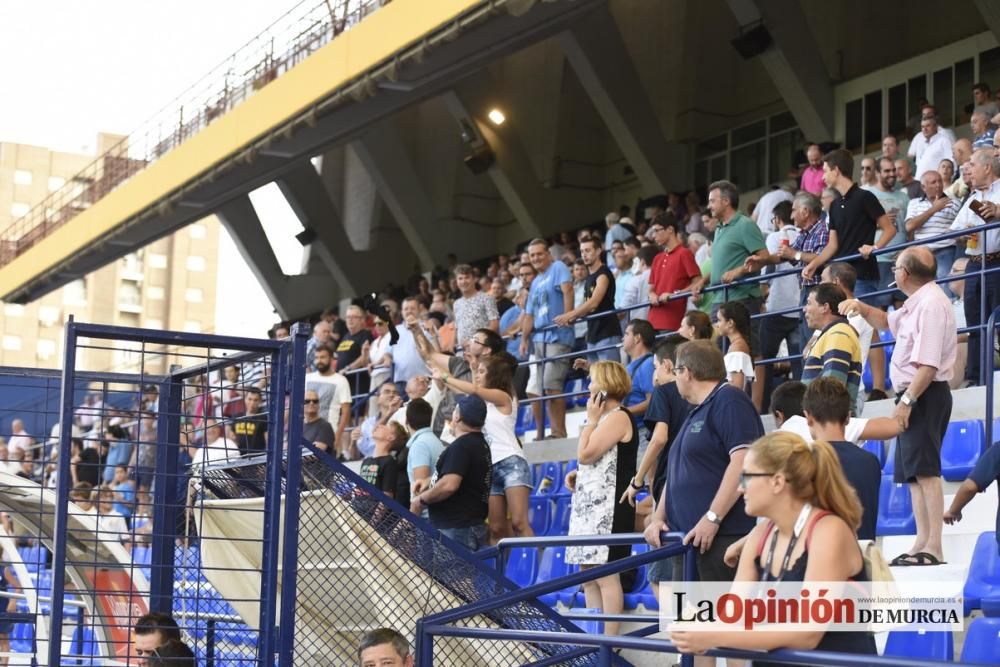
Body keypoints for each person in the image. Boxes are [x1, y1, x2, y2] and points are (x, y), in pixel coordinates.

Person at [669, 432, 877, 663]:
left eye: (746, 477)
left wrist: (713, 635)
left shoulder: (829, 531)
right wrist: (697, 624)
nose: (740, 488)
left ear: (777, 482)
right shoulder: (761, 534)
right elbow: (733, 615)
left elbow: (807, 634)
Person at [840, 246, 957, 566]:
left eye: (896, 268)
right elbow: (888, 322)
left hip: (924, 393)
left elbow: (928, 365)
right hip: (917, 393)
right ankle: (923, 542)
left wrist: (906, 402)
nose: (893, 272)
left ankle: (933, 546)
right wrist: (861, 307)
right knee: (915, 473)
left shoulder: (931, 304)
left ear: (905, 274)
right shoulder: (919, 301)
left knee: (927, 471)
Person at [644, 340, 763, 586]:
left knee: (721, 621)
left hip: (719, 538)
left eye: (676, 371)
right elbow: (676, 472)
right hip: (687, 540)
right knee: (686, 622)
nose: (675, 377)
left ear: (687, 372)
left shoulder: (729, 400)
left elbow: (743, 461)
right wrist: (658, 517)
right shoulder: (696, 410)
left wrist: (713, 517)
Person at [564, 361, 638, 636]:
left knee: (606, 574)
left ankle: (608, 641)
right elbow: (594, 458)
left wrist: (591, 420)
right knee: (588, 574)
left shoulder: (618, 416)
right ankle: (594, 637)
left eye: (592, 382)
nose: (588, 387)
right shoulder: (607, 418)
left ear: (605, 387)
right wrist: (578, 474)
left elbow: (586, 453)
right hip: (590, 506)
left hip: (609, 509)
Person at [433, 354, 533, 543]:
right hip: (489, 467)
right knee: (495, 528)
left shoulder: (504, 396)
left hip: (511, 462)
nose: (477, 375)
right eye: (476, 372)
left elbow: (475, 389)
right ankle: (502, 571)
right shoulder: (482, 403)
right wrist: (448, 376)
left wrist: (445, 376)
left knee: (519, 523)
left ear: (493, 374)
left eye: (481, 371)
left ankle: (533, 571)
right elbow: (469, 392)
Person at [802, 149, 896, 297]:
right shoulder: (834, 205)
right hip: (840, 279)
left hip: (863, 275)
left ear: (836, 170)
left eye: (825, 171)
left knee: (859, 320)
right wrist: (814, 264)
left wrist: (874, 247)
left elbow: (889, 229)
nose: (822, 177)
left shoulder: (865, 197)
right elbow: (832, 245)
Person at [409, 395, 492, 551]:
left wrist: (420, 500)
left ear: (457, 416)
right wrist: (429, 480)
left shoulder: (462, 446)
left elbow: (449, 485)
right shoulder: (478, 444)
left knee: (454, 575)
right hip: (468, 526)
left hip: (455, 529)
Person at [520, 238, 574, 439]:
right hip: (539, 339)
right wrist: (525, 339)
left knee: (552, 384)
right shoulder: (534, 282)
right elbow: (529, 315)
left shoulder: (558, 267)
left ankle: (559, 432)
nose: (536, 258)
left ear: (548, 254)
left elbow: (568, 290)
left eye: (539, 254)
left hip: (558, 335)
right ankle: (552, 431)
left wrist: (568, 314)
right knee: (542, 387)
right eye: (532, 255)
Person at [553, 237, 619, 362]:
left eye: (588, 250)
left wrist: (570, 314)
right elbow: (589, 307)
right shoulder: (589, 277)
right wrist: (574, 317)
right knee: (596, 379)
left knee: (611, 379)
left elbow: (594, 303)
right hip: (593, 334)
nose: (584, 255)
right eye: (582, 251)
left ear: (599, 251)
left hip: (607, 331)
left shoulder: (603, 273)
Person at [800, 283, 862, 412]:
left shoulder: (838, 333)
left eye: (809, 303)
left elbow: (832, 389)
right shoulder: (833, 333)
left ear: (825, 307)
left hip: (829, 421)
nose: (804, 309)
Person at [646, 217, 701, 332]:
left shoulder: (684, 253)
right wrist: (651, 295)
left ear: (670, 229)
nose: (653, 235)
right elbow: (651, 288)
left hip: (672, 321)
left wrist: (675, 294)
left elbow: (698, 282)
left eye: (656, 230)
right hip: (652, 320)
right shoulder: (657, 258)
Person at [305, 345, 352, 458]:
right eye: (317, 357)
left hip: (328, 434)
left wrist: (338, 436)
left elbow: (346, 412)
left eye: (323, 357)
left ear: (331, 359)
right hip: (306, 431)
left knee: (325, 471)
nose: (319, 361)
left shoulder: (341, 380)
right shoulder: (307, 378)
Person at [403, 398, 444, 503]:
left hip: (426, 516)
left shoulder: (419, 445)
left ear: (406, 420)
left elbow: (420, 490)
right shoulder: (432, 440)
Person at [359, 422, 407, 498]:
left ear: (391, 437)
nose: (379, 425)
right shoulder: (366, 461)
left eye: (385, 426)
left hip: (372, 508)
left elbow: (387, 496)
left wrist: (376, 510)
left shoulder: (389, 462)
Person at [716, 301, 754, 391]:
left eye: (719, 320)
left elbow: (737, 386)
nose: (717, 324)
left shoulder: (737, 348)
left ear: (730, 323)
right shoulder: (737, 345)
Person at [231, 388, 267, 456]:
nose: (252, 403)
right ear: (245, 399)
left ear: (260, 401)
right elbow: (231, 437)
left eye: (255, 400)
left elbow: (267, 440)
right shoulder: (237, 417)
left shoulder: (263, 418)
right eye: (249, 399)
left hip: (256, 458)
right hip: (238, 457)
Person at [302, 389, 336, 453]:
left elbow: (316, 452)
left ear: (319, 404)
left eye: (315, 401)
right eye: (307, 401)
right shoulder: (298, 427)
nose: (311, 403)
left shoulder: (325, 426)